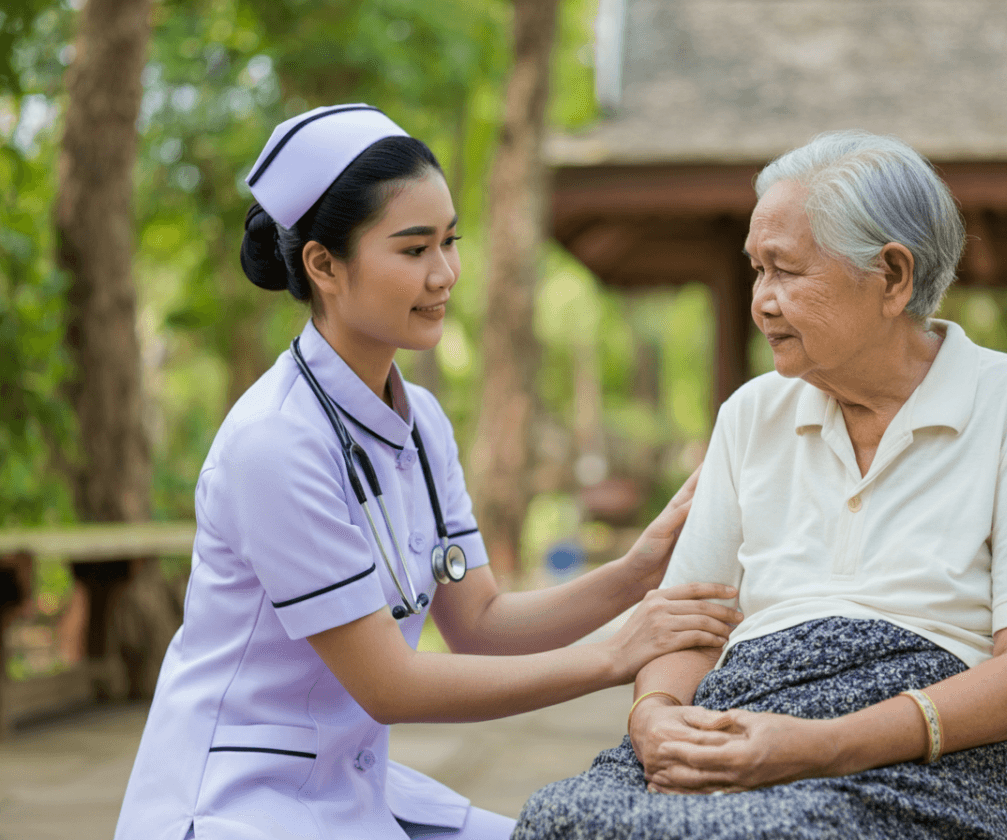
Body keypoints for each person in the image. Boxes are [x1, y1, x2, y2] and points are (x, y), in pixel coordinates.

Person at [113, 104, 742, 840]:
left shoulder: (423, 423)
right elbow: (390, 684)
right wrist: (615, 654)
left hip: (349, 790)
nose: (445, 274)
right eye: (413, 250)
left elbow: (476, 623)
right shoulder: (274, 444)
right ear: (323, 265)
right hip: (239, 805)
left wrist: (638, 572)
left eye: (449, 242)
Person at [512, 130, 1007, 840]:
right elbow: (687, 627)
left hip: (926, 751)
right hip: (746, 717)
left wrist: (819, 746)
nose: (762, 300)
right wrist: (656, 718)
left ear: (892, 277)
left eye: (786, 272)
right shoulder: (752, 414)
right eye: (757, 270)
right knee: (558, 818)